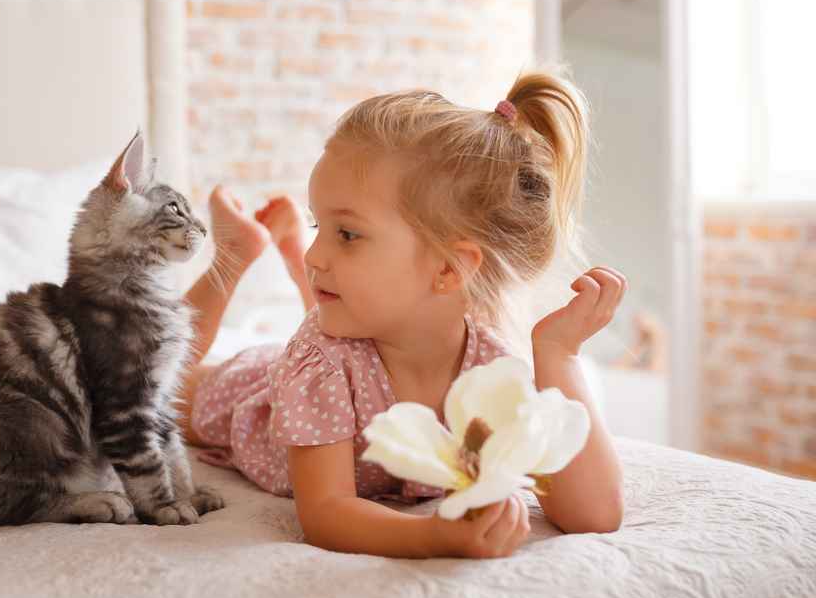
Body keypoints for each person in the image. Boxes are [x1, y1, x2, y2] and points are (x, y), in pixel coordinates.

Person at [173, 69, 626, 560]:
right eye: (316, 226)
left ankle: (273, 246)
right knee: (145, 380)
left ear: (449, 271)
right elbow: (326, 513)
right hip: (253, 390)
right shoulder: (320, 362)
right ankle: (236, 255)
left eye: (346, 234)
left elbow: (595, 514)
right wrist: (433, 537)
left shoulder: (491, 365)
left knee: (338, 307)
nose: (315, 254)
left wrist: (557, 354)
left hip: (338, 339)